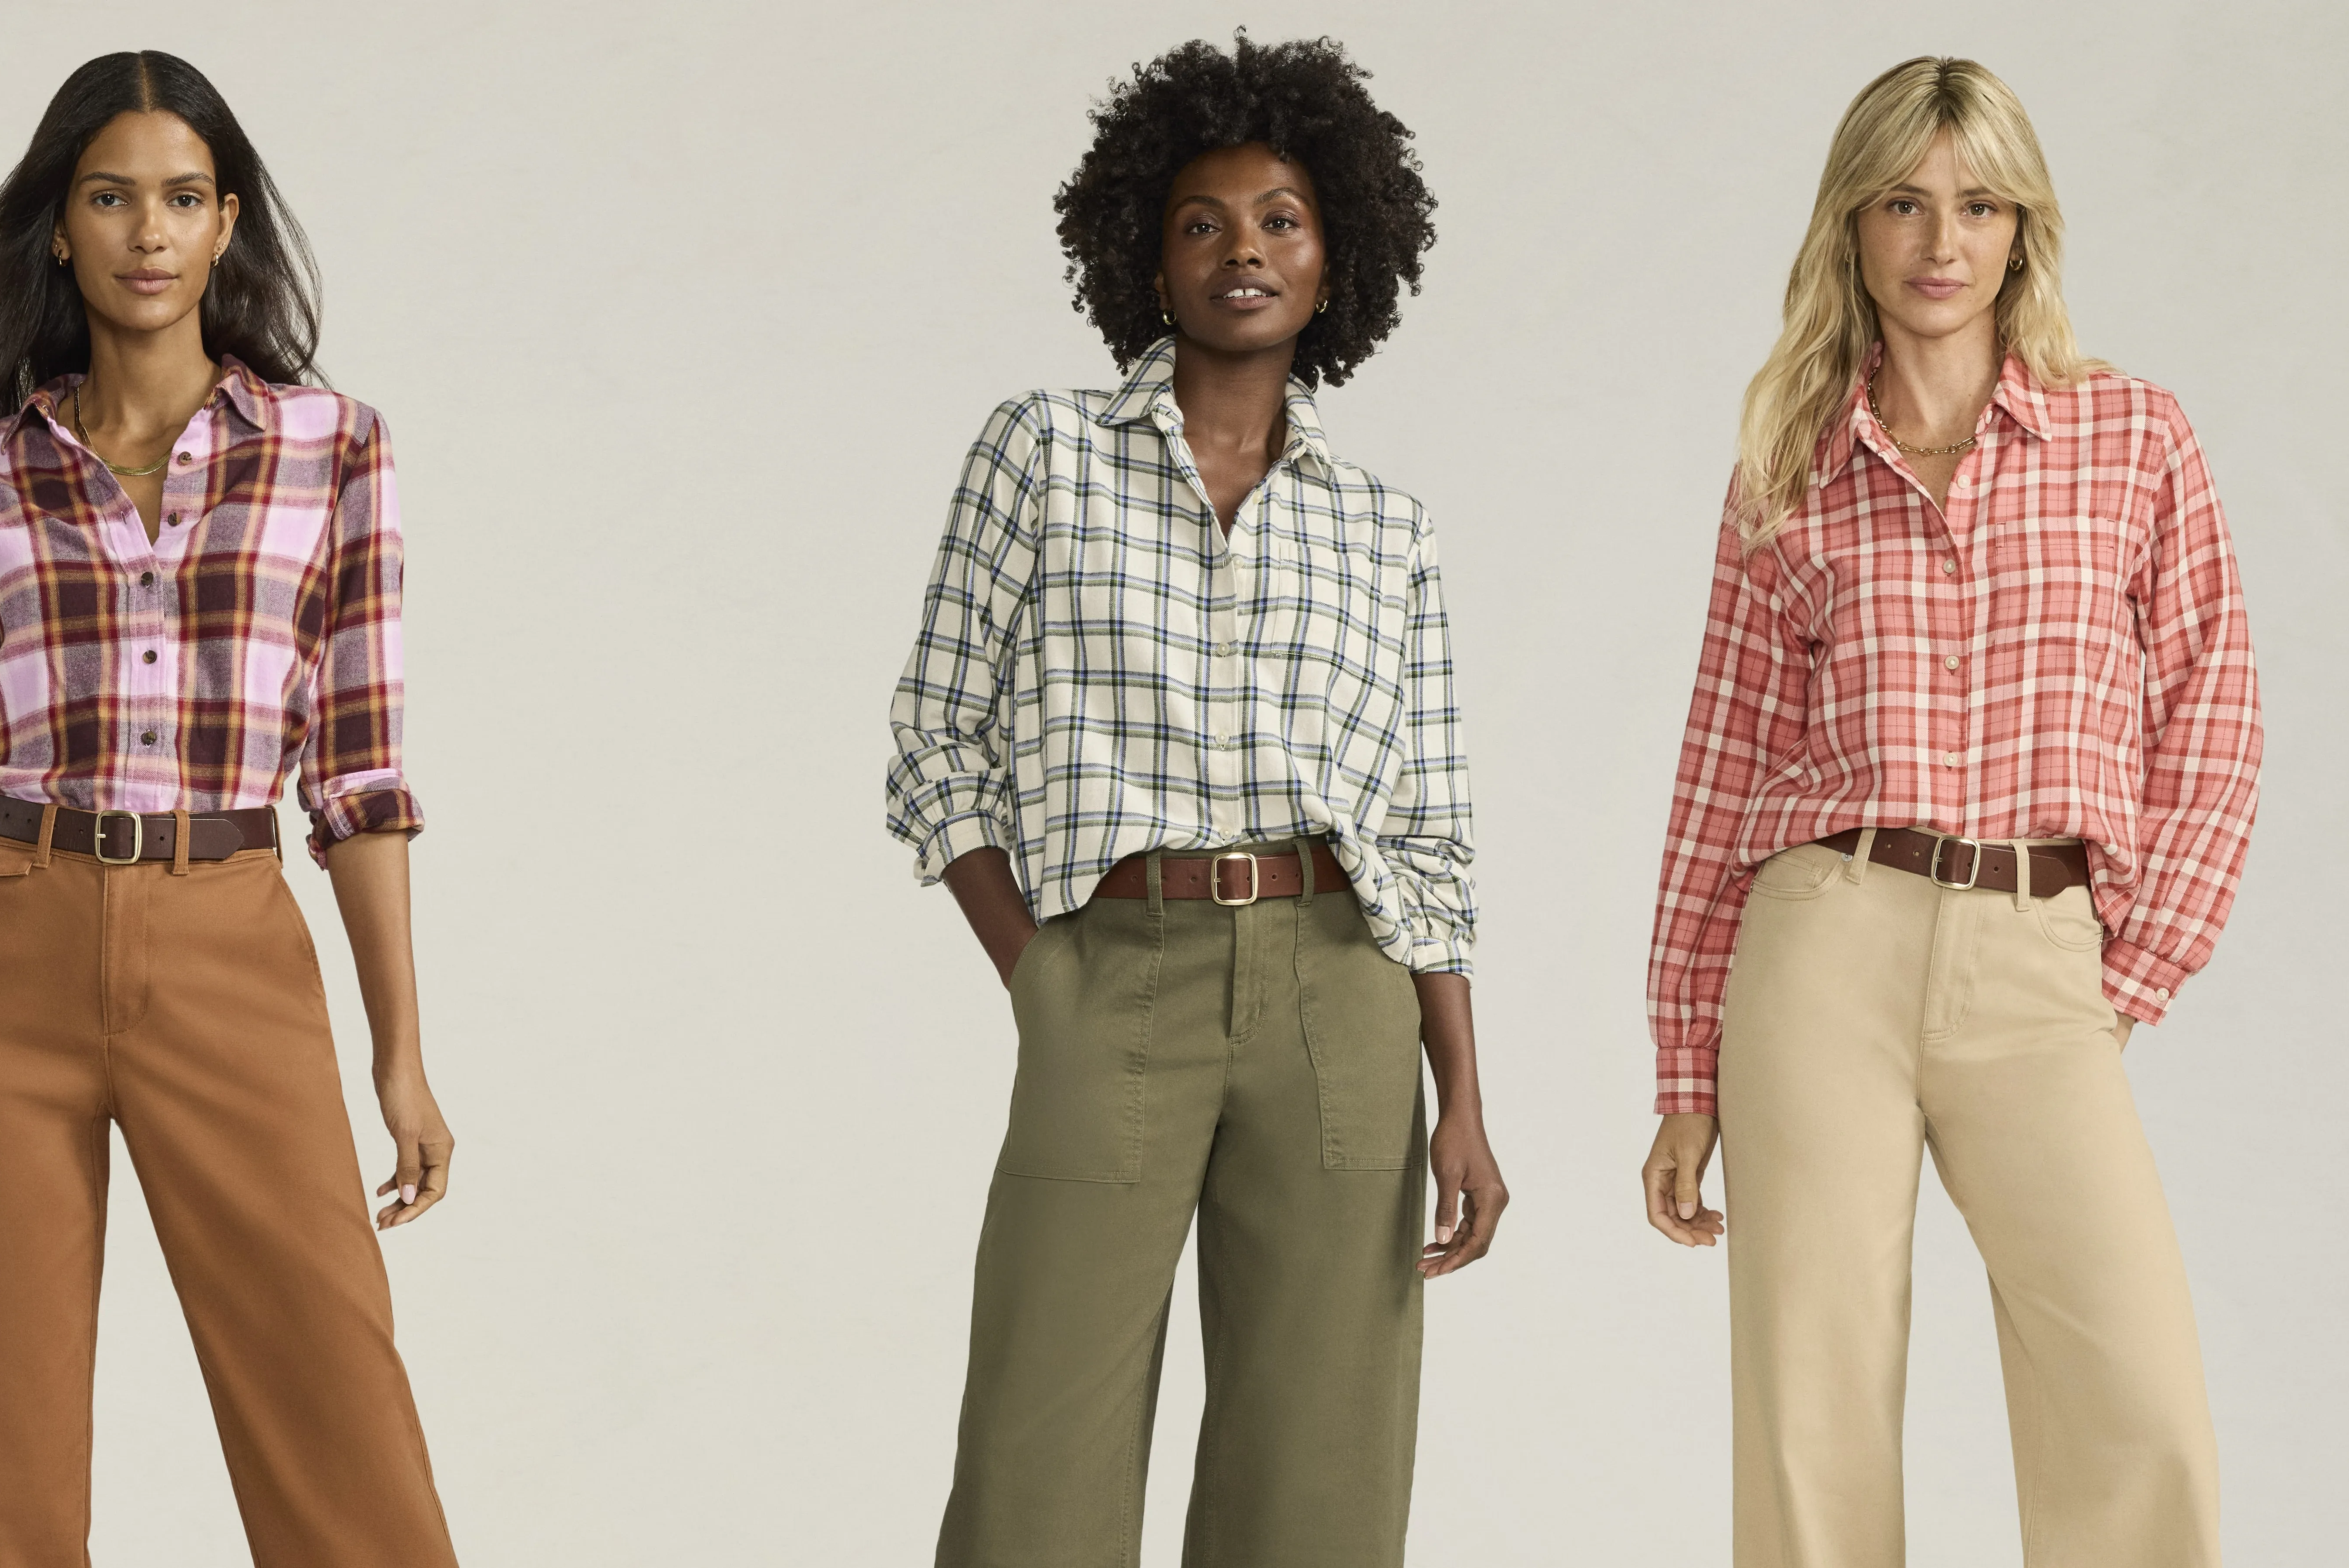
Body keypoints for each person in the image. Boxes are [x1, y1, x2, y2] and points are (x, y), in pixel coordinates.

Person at [0, 49, 461, 1568]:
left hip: (228, 935)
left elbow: (361, 770)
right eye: (111, 198)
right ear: (60, 227)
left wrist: (402, 1055)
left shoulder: (333, 449)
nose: (148, 232)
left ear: (229, 222)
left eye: (182, 198)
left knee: (332, 1411)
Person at [886, 34, 1506, 1568]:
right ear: (1147, 263)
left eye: (1282, 218)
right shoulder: (1042, 456)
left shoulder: (1386, 530)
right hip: (1118, 968)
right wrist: (1044, 976)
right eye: (1204, 223)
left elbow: (1425, 831)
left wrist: (1468, 1104)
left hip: (1342, 993)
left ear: (1334, 253)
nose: (1245, 250)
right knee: (1040, 1449)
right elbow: (932, 741)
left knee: (1324, 1464)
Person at [1636, 55, 2253, 1568]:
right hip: (1820, 947)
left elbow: (2215, 714)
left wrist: (2126, 974)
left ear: (2023, 227)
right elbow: (1721, 767)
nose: (1941, 240)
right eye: (1904, 202)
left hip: (2045, 957)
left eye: (1978, 204)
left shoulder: (2134, 440)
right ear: (1850, 225)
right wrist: (1685, 1065)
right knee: (1813, 1404)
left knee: (2140, 1405)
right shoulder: (1787, 468)